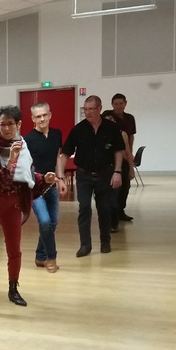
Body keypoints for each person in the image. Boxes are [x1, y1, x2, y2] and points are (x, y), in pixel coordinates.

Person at [0, 105, 57, 317]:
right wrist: (10, 161)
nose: (6, 128)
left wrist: (43, 179)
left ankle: (13, 289)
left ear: (19, 124)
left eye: (10, 124)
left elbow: (27, 176)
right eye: (2, 124)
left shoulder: (23, 146)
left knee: (14, 251)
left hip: (13, 205)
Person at [63, 96, 125, 257]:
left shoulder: (111, 128)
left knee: (104, 208)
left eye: (91, 109)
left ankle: (105, 241)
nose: (88, 112)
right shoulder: (78, 130)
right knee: (84, 207)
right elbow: (65, 153)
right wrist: (60, 175)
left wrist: (117, 172)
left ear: (99, 109)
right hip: (84, 175)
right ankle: (85, 245)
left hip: (105, 174)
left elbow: (118, 151)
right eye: (85, 109)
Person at [23, 103, 67, 272]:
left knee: (53, 222)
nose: (42, 119)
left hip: (52, 186)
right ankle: (51, 258)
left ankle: (40, 256)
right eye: (38, 116)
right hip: (35, 188)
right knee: (45, 222)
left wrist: (60, 178)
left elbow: (57, 157)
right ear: (33, 119)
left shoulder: (56, 134)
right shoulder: (27, 140)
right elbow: (26, 166)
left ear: (50, 115)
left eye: (44, 115)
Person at [102, 93, 137, 228]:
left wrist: (130, 156)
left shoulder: (129, 118)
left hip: (125, 155)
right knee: (114, 189)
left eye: (121, 103)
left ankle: (121, 211)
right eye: (116, 104)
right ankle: (113, 216)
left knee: (125, 187)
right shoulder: (108, 115)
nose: (118, 106)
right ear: (112, 104)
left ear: (125, 103)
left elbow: (130, 137)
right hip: (111, 161)